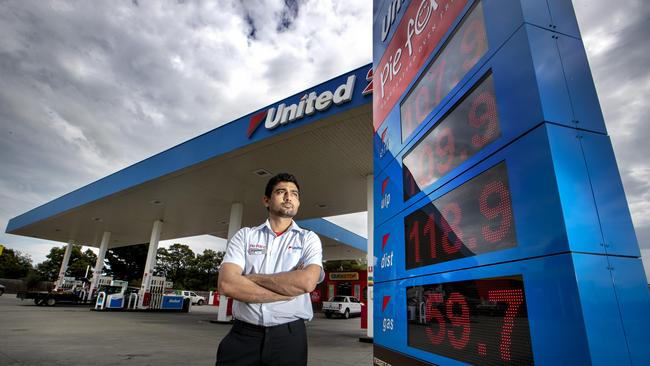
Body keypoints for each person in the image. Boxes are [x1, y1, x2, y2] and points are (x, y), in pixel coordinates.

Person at [216, 173, 324, 366]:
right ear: (266, 200)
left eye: (294, 194)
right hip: (243, 336)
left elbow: (307, 282)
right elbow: (227, 284)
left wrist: (251, 278)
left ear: (299, 202)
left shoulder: (308, 239)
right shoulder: (245, 236)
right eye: (281, 192)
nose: (289, 197)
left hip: (289, 339)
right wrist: (286, 292)